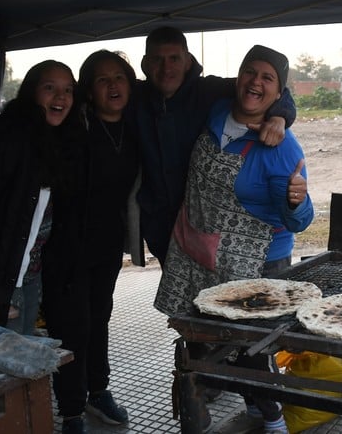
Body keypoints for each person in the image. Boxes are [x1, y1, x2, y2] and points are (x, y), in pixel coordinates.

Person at [154, 45, 313, 434]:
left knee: (249, 348)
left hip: (256, 263)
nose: (255, 82)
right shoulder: (217, 111)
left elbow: (301, 221)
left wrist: (298, 200)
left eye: (267, 78)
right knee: (205, 336)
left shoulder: (282, 147)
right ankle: (252, 405)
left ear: (279, 94)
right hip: (199, 254)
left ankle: (273, 417)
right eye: (249, 72)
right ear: (238, 76)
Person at [0, 61, 89, 431]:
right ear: (30, 93)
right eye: (50, 88)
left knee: (22, 378)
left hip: (28, 280)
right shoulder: (4, 139)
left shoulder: (56, 142)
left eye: (68, 90)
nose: (60, 97)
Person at [128, 26, 298, 264]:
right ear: (145, 64)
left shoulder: (209, 91)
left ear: (188, 61)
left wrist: (280, 116)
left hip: (205, 232)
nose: (166, 68)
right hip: (161, 228)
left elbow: (268, 89)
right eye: (158, 60)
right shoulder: (135, 98)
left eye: (174, 59)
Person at [49, 51, 140, 434]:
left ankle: (98, 391)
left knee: (99, 319)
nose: (113, 85)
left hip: (105, 245)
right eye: (102, 80)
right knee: (73, 326)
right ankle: (71, 411)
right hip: (65, 247)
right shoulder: (71, 128)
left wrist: (282, 110)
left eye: (119, 77)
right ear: (89, 90)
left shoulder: (136, 123)